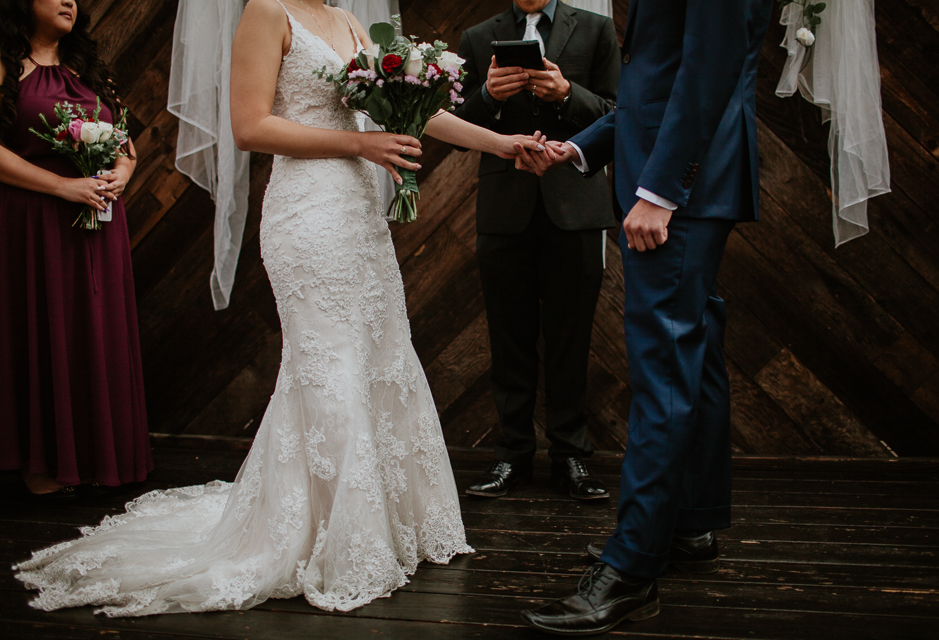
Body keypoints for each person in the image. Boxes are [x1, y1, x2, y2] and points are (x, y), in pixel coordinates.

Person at [13, 0, 547, 616]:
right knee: (329, 365)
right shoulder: (267, 13)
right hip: (306, 211)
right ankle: (339, 536)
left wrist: (502, 145)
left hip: (356, 212)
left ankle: (388, 523)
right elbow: (249, 127)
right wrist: (360, 142)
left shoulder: (348, 22)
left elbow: (418, 113)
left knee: (382, 354)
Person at [514, 0, 772, 634]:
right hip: (677, 174)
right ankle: (689, 522)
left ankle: (632, 567)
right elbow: (658, 72)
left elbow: (707, 70)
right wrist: (576, 151)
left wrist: (661, 191)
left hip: (679, 185)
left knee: (664, 365)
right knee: (695, 346)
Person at [456, 0, 620, 501]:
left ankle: (571, 457)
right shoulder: (478, 36)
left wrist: (567, 93)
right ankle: (512, 457)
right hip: (506, 207)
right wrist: (488, 93)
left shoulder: (597, 30)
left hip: (576, 205)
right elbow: (459, 126)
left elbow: (619, 115)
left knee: (571, 340)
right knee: (509, 340)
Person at [0, 0, 152, 499]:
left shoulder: (85, 70)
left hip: (98, 223)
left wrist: (122, 174)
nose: (71, 0)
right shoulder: (5, 64)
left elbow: (126, 143)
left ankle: (95, 455)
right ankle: (41, 461)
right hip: (33, 223)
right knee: (44, 331)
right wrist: (62, 187)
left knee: (93, 330)